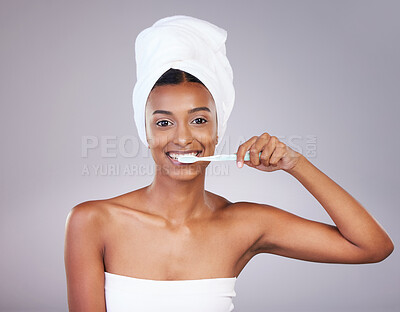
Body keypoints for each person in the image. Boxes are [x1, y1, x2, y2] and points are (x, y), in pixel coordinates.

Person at [64, 15, 394, 312]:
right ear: (145, 132)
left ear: (217, 130)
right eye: (164, 123)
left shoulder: (245, 224)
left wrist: (296, 163)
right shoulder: (92, 222)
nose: (182, 138)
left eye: (198, 120)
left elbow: (372, 246)